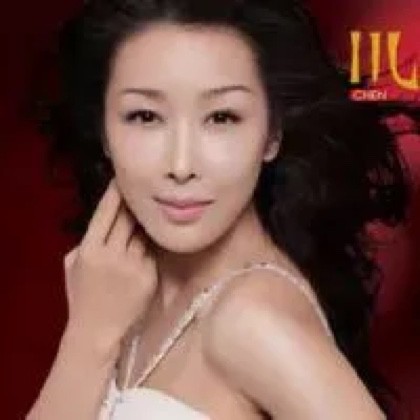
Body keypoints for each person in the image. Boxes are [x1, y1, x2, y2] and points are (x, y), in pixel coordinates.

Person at [26, 0, 417, 418]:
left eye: (221, 118)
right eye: (145, 116)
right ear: (103, 131)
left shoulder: (252, 319)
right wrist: (89, 335)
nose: (181, 165)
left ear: (272, 134)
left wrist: (90, 338)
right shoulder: (116, 286)